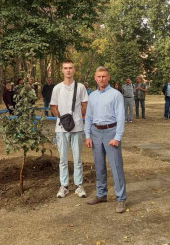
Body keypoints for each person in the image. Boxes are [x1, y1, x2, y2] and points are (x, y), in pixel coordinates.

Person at [85, 66, 127, 213]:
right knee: (99, 166)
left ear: (108, 77)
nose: (101, 79)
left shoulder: (116, 95)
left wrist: (117, 136)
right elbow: (89, 117)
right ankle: (101, 194)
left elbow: (121, 117)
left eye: (104, 76)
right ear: (95, 78)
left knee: (116, 167)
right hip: (96, 133)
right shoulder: (92, 96)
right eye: (99, 76)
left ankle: (121, 198)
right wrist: (88, 135)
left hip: (111, 132)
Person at [50, 60, 88, 199]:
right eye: (65, 68)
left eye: (70, 68)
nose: (68, 71)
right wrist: (62, 118)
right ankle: (64, 186)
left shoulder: (81, 87)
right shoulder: (57, 88)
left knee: (78, 158)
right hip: (61, 129)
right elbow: (53, 106)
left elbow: (85, 104)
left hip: (77, 127)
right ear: (62, 70)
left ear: (74, 70)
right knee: (63, 159)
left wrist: (78, 117)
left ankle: (79, 185)